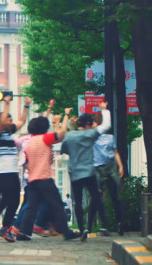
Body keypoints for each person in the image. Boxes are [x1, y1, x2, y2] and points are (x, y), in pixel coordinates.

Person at [15, 113, 79, 241]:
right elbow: (61, 135)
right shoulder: (45, 138)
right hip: (44, 178)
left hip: (32, 179)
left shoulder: (29, 143)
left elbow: (26, 163)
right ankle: (66, 231)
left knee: (31, 207)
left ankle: (23, 232)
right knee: (57, 205)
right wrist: (64, 116)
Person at [60, 102, 111, 241]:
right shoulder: (90, 134)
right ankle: (104, 224)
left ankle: (82, 229)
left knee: (77, 201)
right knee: (96, 197)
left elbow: (63, 150)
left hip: (74, 173)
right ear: (88, 124)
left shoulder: (69, 136)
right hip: (88, 171)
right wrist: (104, 110)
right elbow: (106, 126)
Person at [0, 97, 31, 238]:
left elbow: (21, 122)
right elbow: (2, 122)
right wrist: (6, 104)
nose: (11, 122)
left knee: (14, 200)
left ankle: (5, 228)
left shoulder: (10, 132)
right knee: (7, 198)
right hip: (2, 171)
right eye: (8, 119)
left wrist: (26, 106)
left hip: (13, 171)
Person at [93, 118, 124, 236]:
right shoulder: (92, 137)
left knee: (115, 196)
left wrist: (120, 166)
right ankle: (100, 225)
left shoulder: (110, 138)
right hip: (98, 169)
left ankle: (120, 223)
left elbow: (115, 152)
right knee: (97, 197)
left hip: (110, 167)